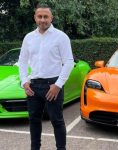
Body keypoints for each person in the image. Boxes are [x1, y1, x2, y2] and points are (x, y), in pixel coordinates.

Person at [18, 3, 74, 150]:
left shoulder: (61, 37)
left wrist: (58, 85)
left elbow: (68, 62)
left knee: (57, 120)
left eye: (46, 17)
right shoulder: (28, 38)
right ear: (35, 18)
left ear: (51, 18)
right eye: (40, 16)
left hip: (52, 85)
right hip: (33, 86)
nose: (43, 20)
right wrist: (24, 81)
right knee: (34, 121)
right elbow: (22, 62)